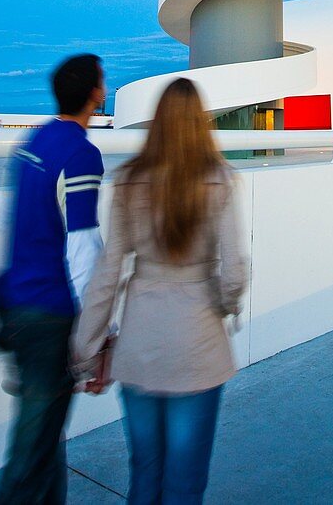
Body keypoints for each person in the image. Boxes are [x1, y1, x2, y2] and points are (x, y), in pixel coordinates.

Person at [73, 77, 248, 505]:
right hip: (198, 344)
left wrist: (87, 348)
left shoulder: (131, 180)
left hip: (141, 343)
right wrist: (225, 307)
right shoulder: (220, 179)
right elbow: (236, 270)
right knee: (185, 483)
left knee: (145, 474)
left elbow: (109, 272)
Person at [0, 54, 106, 505]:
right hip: (48, 316)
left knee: (44, 441)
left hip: (14, 305)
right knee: (31, 451)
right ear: (95, 94)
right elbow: (83, 248)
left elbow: (12, 221)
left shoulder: (30, 142)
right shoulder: (81, 153)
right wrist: (97, 334)